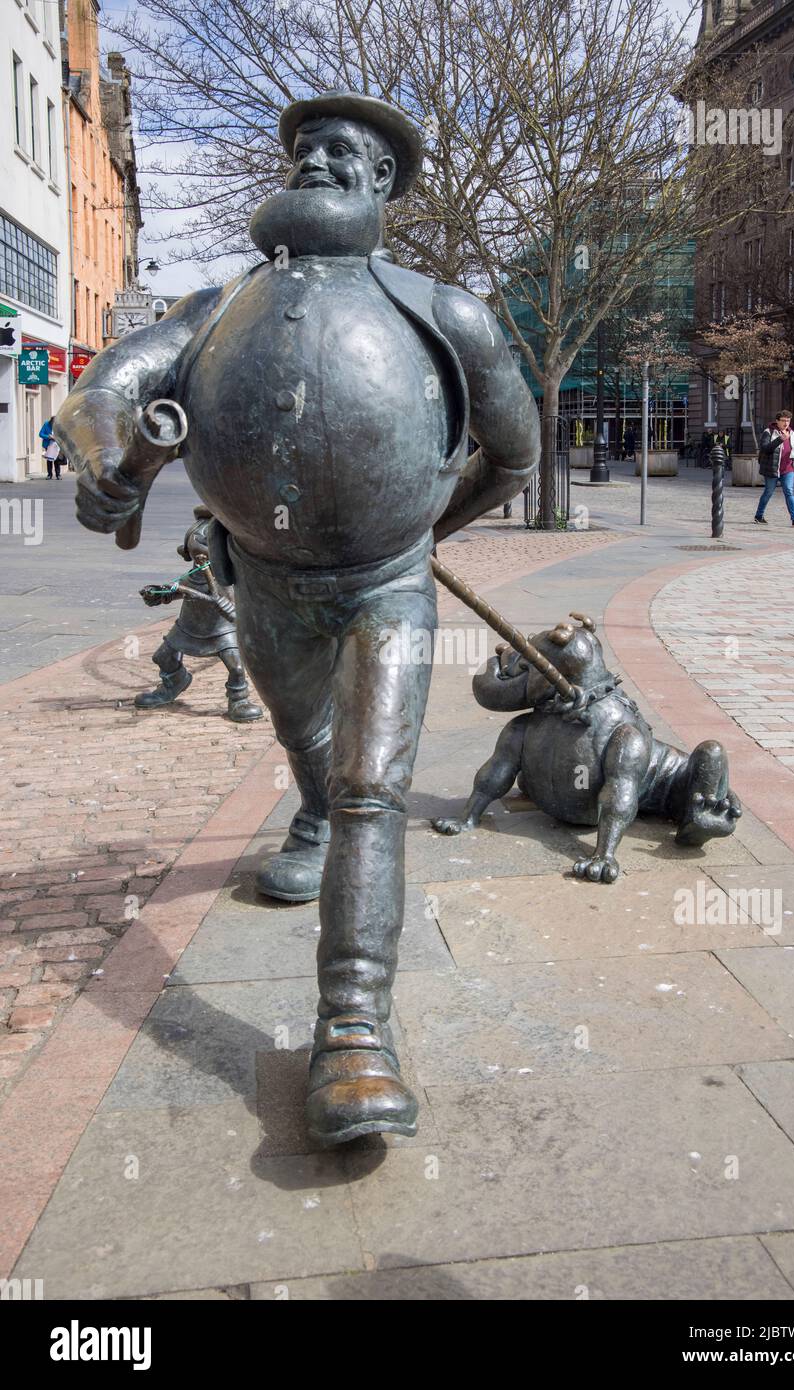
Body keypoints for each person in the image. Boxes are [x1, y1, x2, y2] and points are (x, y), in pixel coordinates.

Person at [53, 90, 540, 1147]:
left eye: (342, 154)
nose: (316, 164)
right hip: (265, 579)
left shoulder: (440, 308)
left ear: (380, 183)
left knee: (375, 785)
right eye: (306, 149)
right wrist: (104, 459)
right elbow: (105, 387)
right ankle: (311, 815)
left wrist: (423, 527)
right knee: (307, 739)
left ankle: (354, 1030)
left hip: (386, 582)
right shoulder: (219, 305)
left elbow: (517, 452)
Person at [136, 506, 263, 722]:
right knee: (162, 657)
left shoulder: (228, 581)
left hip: (221, 632)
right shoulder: (191, 578)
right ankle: (174, 682)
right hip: (187, 628)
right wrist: (156, 593)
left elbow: (231, 610)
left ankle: (239, 699)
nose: (201, 551)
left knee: (237, 667)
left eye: (207, 544)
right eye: (195, 544)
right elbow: (172, 592)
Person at [755, 409, 794, 527]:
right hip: (772, 468)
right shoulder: (769, 432)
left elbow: (793, 448)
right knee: (768, 492)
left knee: (789, 491)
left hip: (788, 468)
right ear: (777, 421)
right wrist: (780, 439)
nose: (786, 423)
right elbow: (765, 448)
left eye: (788, 421)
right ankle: (759, 515)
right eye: (783, 421)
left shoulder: (792, 433)